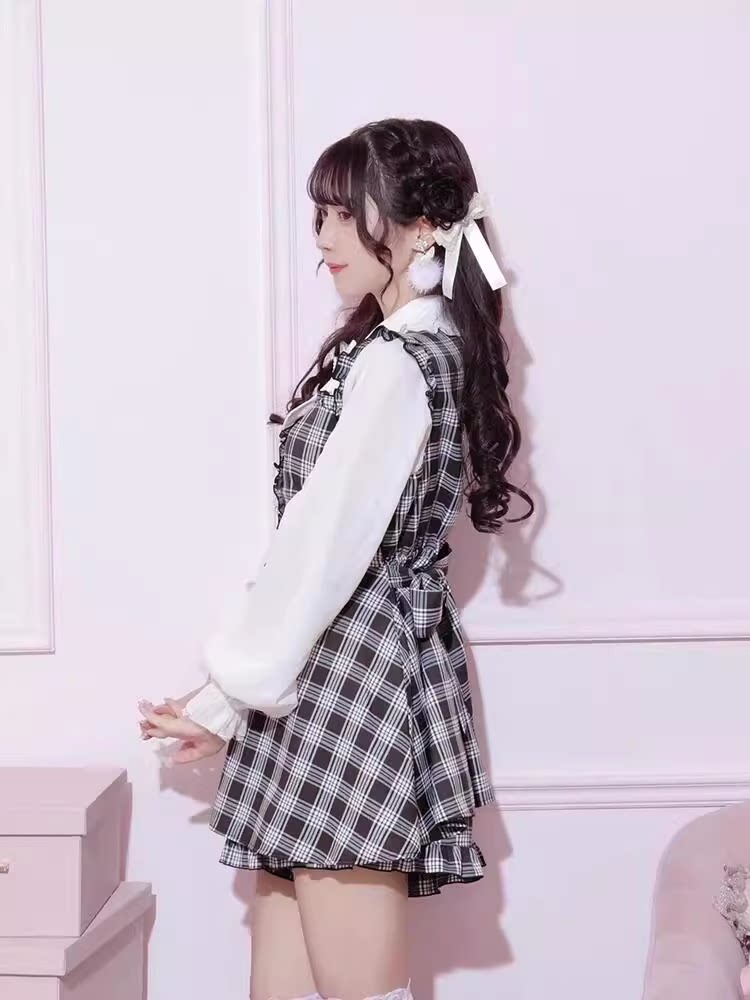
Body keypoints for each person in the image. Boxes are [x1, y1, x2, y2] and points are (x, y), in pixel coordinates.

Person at [138, 117, 534, 1000]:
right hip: (331, 673)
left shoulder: (401, 361)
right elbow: (313, 552)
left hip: (350, 676)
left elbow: (321, 552)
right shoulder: (402, 349)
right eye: (319, 215)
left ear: (423, 226)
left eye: (344, 215)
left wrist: (223, 696)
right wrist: (227, 703)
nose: (323, 238)